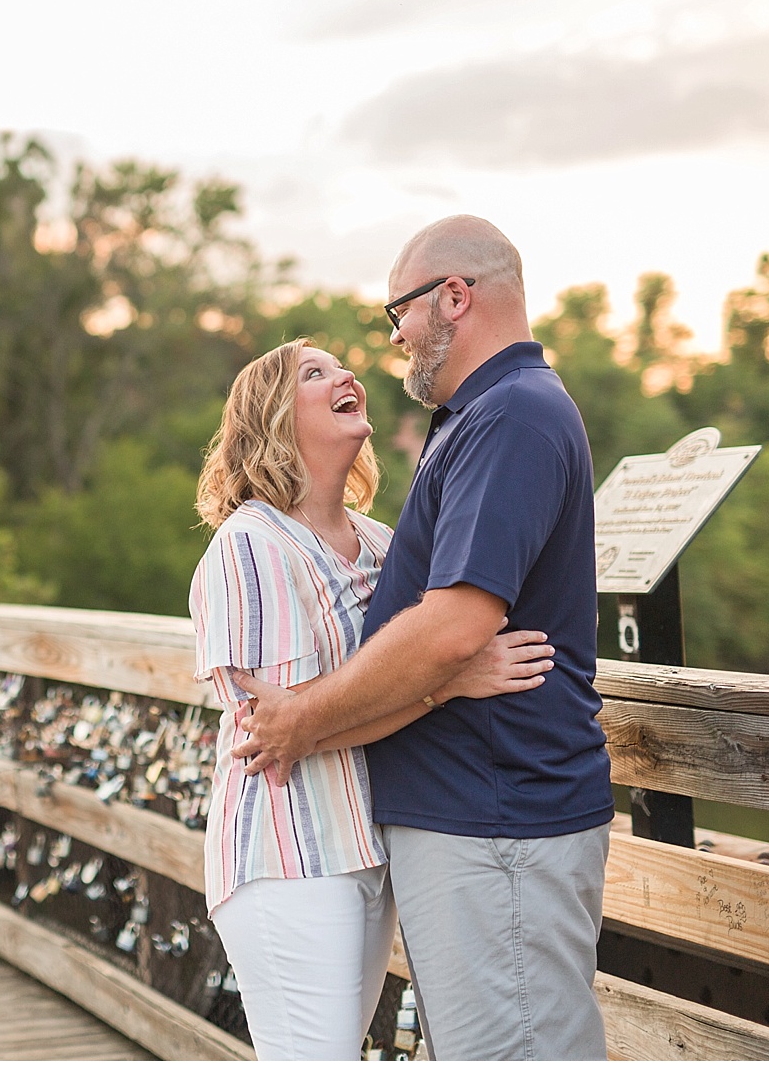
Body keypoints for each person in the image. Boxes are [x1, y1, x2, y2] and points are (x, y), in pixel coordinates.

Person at [230, 215, 614, 1060]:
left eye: (395, 312)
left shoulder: (509, 415)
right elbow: (439, 650)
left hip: (500, 820)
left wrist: (301, 719)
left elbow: (451, 627)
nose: (394, 336)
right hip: (470, 824)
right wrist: (322, 718)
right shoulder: (480, 416)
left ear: (452, 296)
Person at [190, 335, 555, 1060]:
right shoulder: (250, 543)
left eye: (340, 365)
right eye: (314, 373)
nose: (345, 373)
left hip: (368, 846)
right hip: (288, 854)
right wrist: (447, 681)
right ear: (272, 417)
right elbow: (286, 726)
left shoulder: (380, 541)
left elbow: (355, 696)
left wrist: (437, 668)